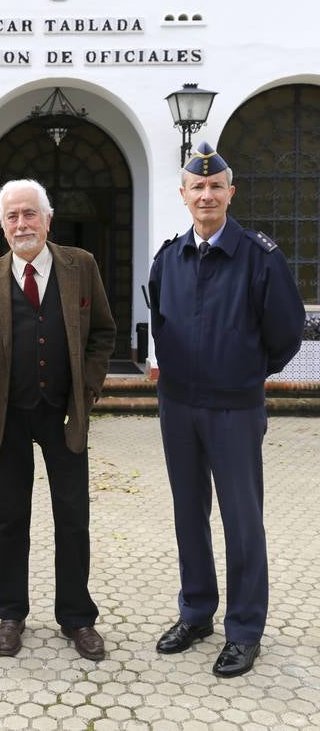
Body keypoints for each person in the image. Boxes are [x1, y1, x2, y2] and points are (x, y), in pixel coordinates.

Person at [148, 142, 305, 678]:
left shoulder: (260, 257)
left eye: (217, 187)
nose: (207, 194)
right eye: (198, 187)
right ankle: (196, 613)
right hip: (179, 408)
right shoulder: (168, 258)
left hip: (235, 410)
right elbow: (162, 322)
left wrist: (243, 371)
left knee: (242, 522)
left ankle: (244, 630)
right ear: (184, 195)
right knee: (189, 516)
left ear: (231, 193)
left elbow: (286, 333)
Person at [0, 179, 116, 660]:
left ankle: (77, 617)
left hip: (64, 415)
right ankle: (11, 614)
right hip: (9, 415)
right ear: (1, 225)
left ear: (47, 219)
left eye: (30, 214)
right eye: (12, 216)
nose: (21, 224)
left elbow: (103, 332)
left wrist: (85, 389)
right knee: (7, 519)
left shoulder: (80, 267)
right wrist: (3, 366)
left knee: (73, 519)